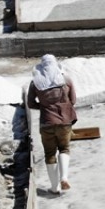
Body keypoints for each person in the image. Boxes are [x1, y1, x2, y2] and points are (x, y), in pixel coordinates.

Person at [27, 54, 77, 195]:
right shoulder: (66, 80)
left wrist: (44, 107)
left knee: (50, 154)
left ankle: (55, 187)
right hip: (64, 121)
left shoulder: (35, 83)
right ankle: (64, 177)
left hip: (46, 123)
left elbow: (30, 103)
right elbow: (73, 100)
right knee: (64, 149)